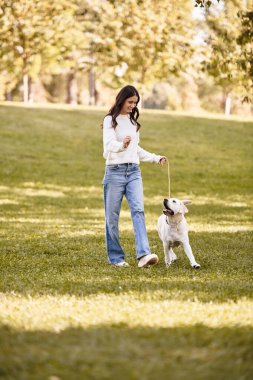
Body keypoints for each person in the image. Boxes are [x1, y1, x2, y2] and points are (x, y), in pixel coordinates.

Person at [101, 85, 167, 268]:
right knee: (112, 217)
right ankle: (116, 258)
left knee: (138, 211)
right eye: (130, 102)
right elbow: (108, 146)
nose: (132, 106)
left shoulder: (132, 122)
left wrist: (155, 158)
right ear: (121, 100)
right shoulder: (110, 120)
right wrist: (122, 145)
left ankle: (144, 255)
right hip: (114, 172)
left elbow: (135, 149)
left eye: (135, 103)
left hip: (134, 172)